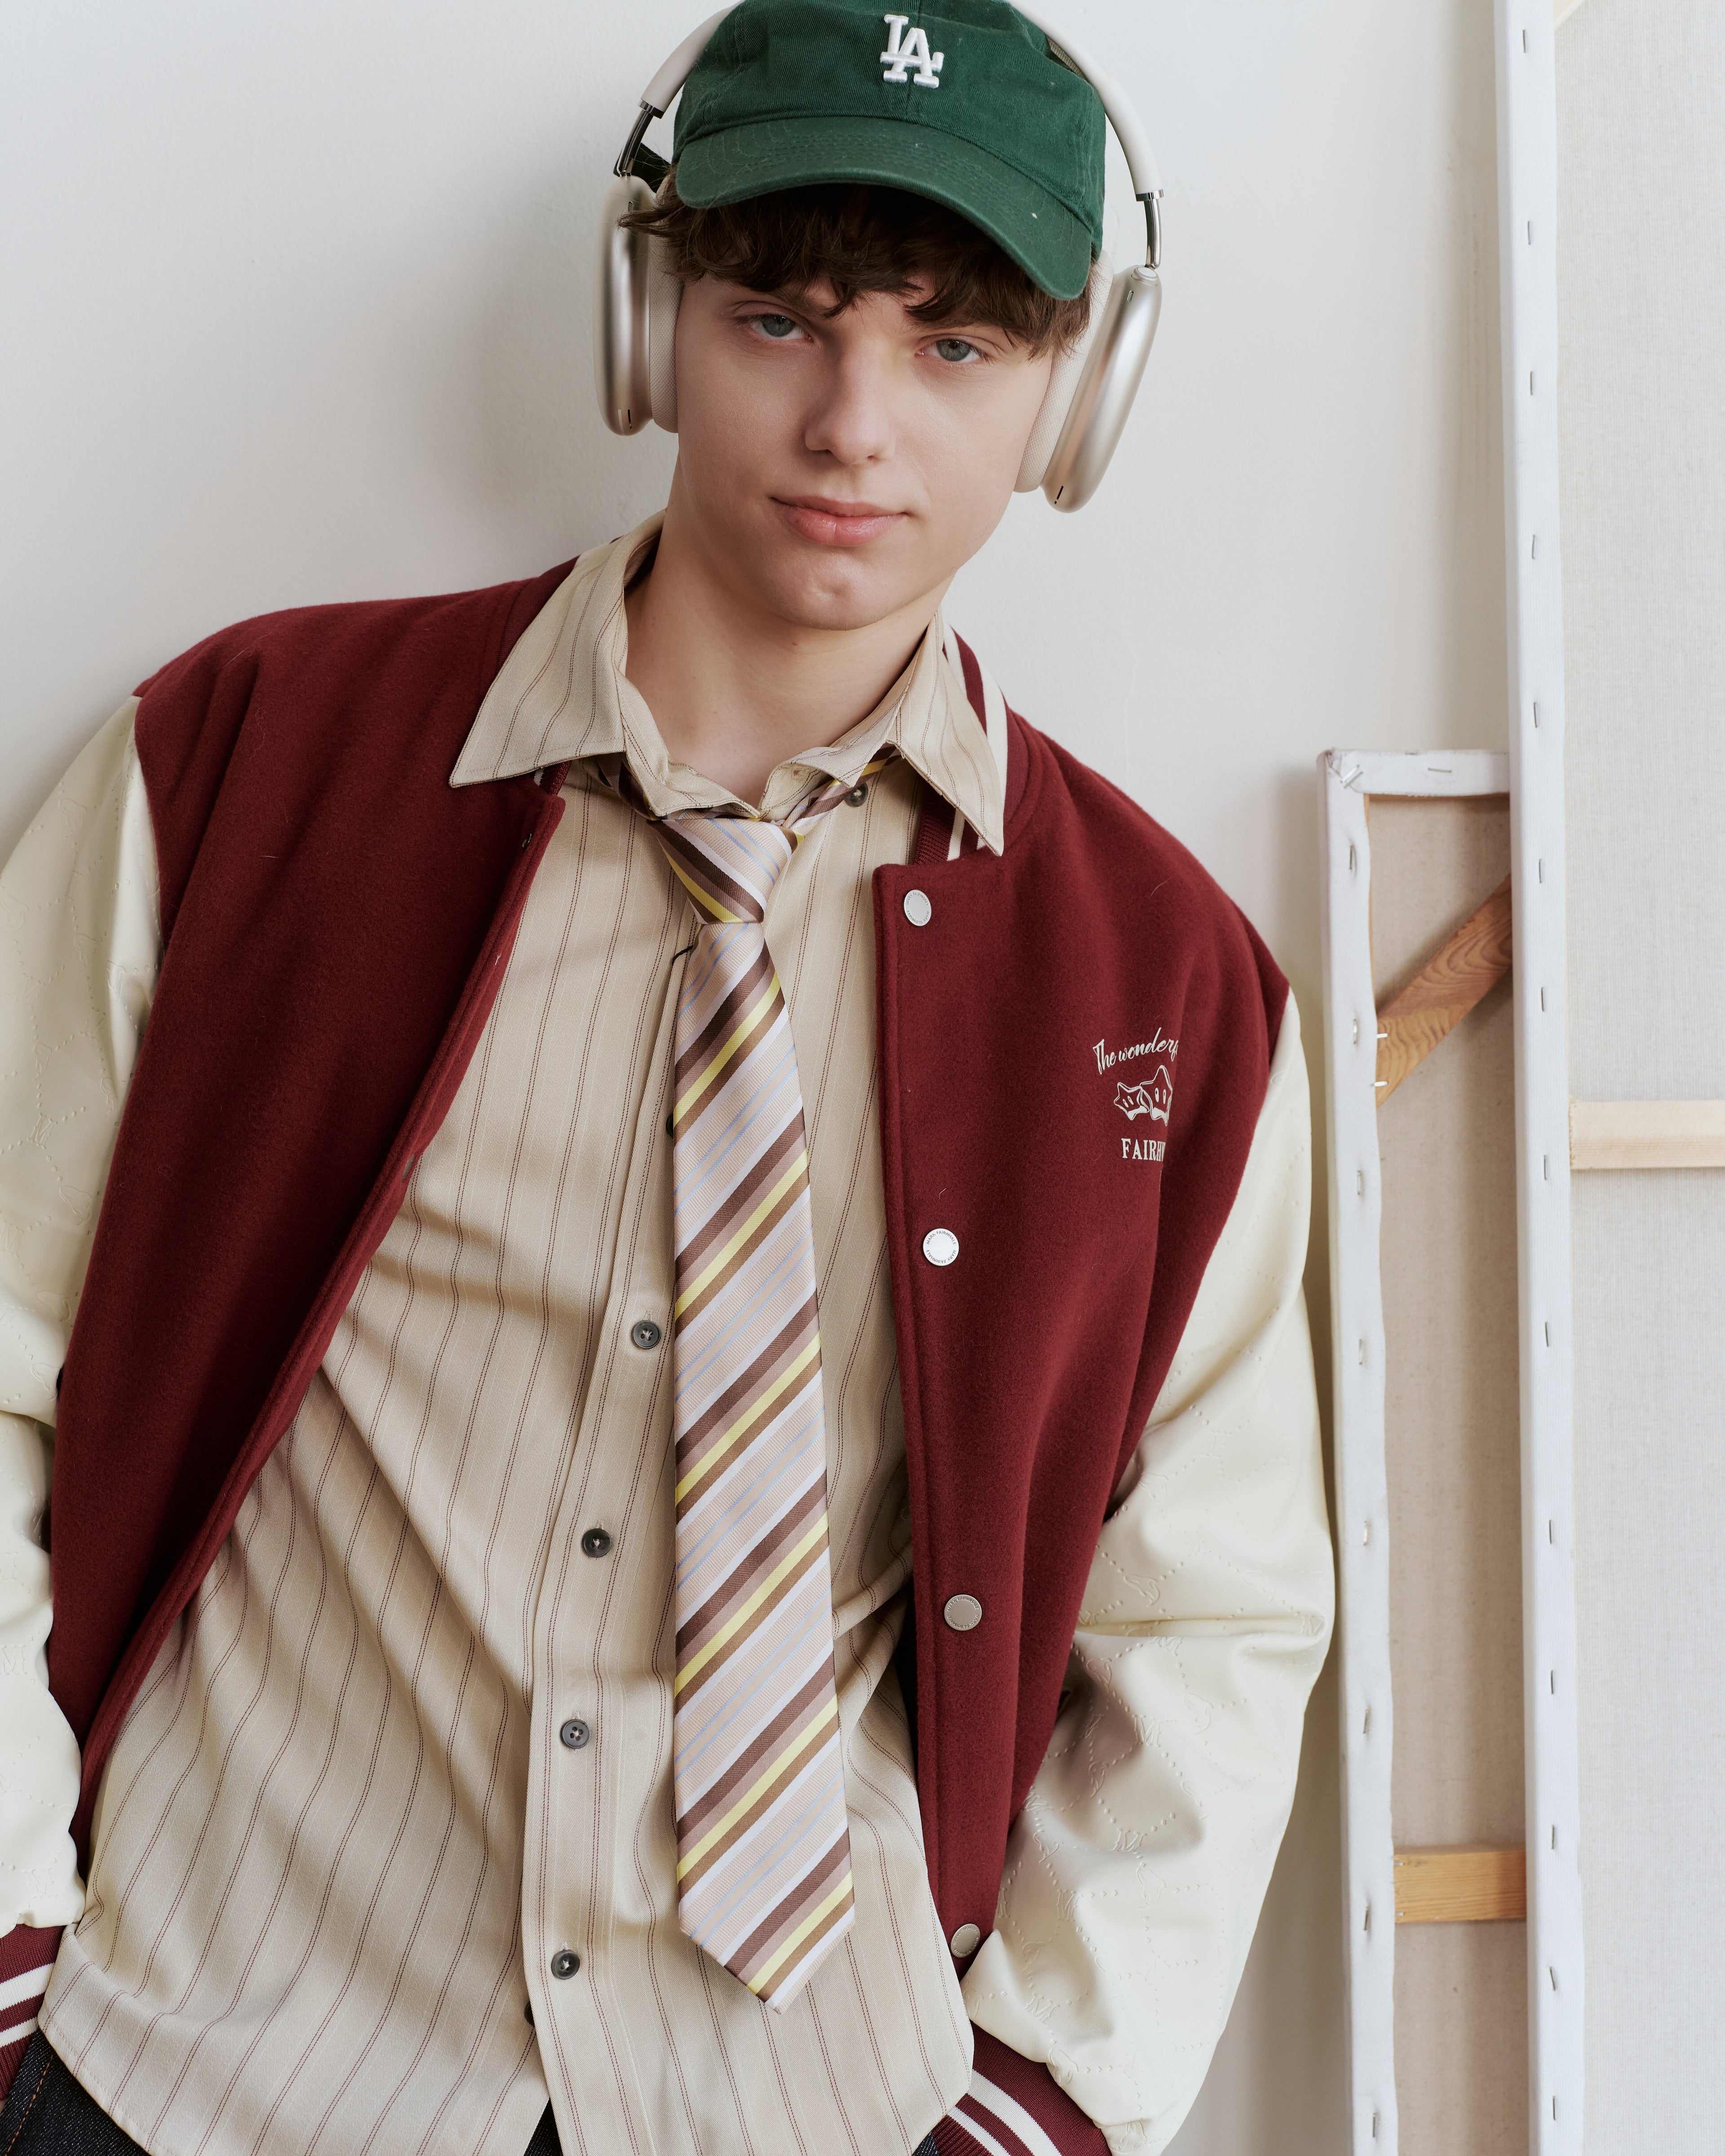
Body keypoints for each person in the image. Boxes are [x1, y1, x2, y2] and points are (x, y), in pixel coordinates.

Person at [0, 2, 1332, 2151]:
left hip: (805, 2100)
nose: (855, 425)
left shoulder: (1166, 986)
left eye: (956, 347)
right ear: (647, 325)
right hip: (201, 2068)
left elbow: (1215, 1613)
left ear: (1077, 396)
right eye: (779, 318)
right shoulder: (235, 767)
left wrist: (1043, 2102)